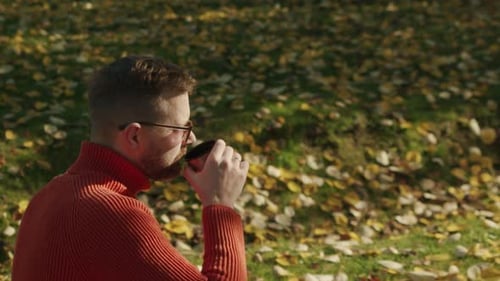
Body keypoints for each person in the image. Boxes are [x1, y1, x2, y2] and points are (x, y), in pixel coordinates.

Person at [12, 55, 250, 280]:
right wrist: (220, 204)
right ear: (134, 135)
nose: (191, 138)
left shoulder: (50, 195)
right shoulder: (112, 213)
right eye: (180, 129)